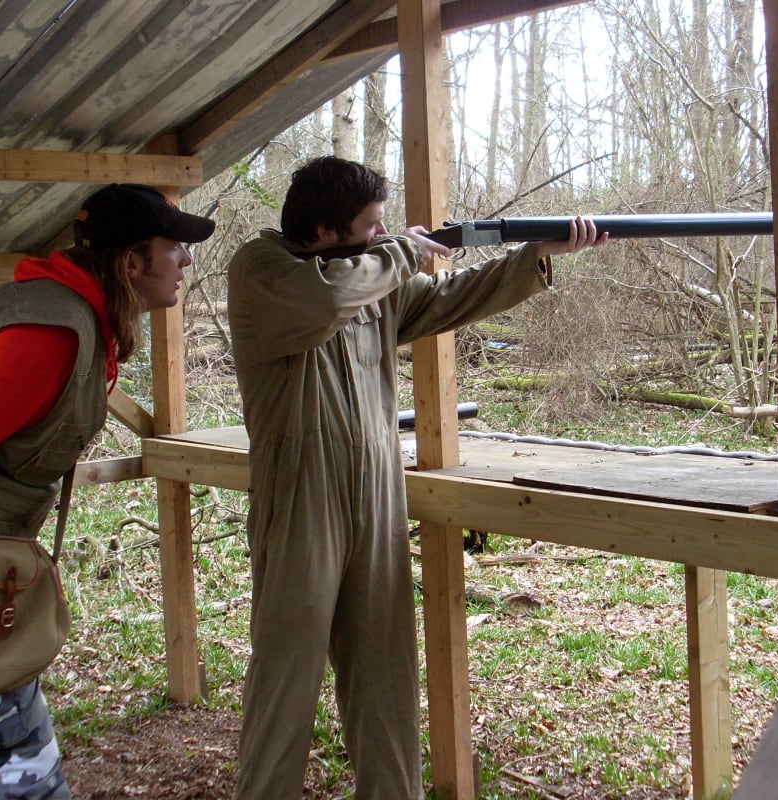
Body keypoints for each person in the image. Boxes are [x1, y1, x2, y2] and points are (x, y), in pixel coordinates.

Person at [226, 155, 607, 799]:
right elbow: (329, 294)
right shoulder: (261, 270)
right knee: (285, 681)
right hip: (300, 495)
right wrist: (403, 253)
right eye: (372, 227)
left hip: (377, 488)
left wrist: (535, 255)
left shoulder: (374, 273)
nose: (383, 235)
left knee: (387, 677)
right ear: (322, 231)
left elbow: (447, 299)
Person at [0, 183, 215, 799]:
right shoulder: (48, 335)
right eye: (174, 247)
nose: (187, 260)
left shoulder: (69, 314)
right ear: (131, 263)